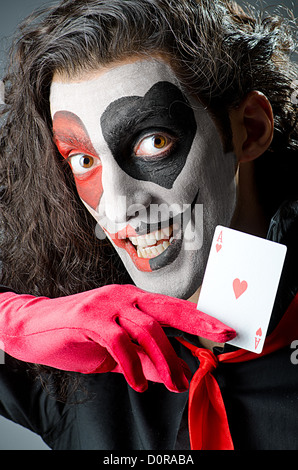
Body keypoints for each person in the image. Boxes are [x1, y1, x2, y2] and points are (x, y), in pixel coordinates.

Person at [0, 0, 297, 450]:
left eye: (153, 141)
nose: (117, 209)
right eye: (83, 160)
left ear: (248, 130)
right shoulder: (75, 367)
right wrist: (17, 324)